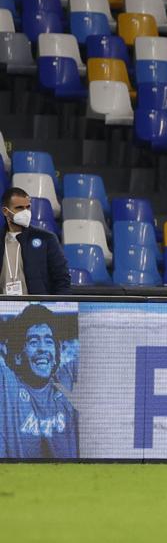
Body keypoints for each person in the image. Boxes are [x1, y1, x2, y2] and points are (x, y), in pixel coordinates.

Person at [0, 303, 78, 458]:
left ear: (56, 355)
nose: (43, 348)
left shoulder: (66, 382)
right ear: (18, 356)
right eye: (33, 342)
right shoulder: (8, 387)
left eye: (49, 341)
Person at [1, 187, 69, 296]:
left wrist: (56, 304)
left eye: (28, 207)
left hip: (37, 306)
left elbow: (62, 278)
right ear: (5, 211)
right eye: (19, 208)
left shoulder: (47, 238)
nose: (25, 212)